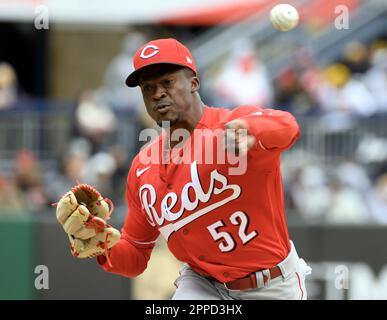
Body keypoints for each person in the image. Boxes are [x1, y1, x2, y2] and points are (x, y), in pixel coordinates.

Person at [58, 38, 311, 300]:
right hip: (203, 284)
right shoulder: (143, 169)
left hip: (271, 284)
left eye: (167, 82)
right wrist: (103, 247)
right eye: (148, 87)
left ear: (194, 83)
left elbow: (287, 126)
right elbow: (135, 255)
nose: (157, 93)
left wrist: (253, 131)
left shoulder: (232, 125)